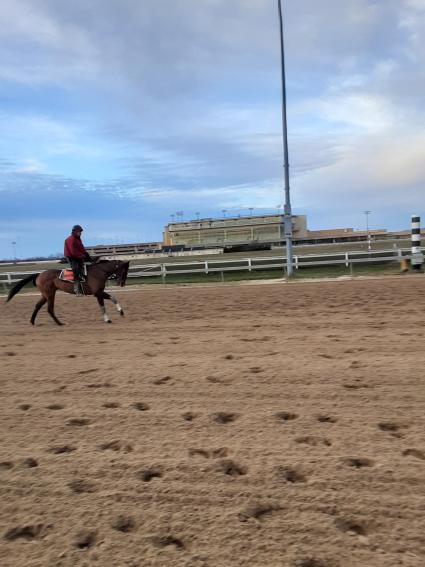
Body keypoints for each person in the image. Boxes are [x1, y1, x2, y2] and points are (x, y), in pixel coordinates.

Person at [64, 225, 94, 296]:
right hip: (71, 257)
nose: (80, 233)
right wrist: (83, 256)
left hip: (77, 256)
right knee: (76, 271)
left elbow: (82, 248)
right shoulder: (70, 239)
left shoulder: (78, 239)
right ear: (74, 231)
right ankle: (77, 290)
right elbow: (73, 252)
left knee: (85, 268)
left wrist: (87, 256)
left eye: (80, 232)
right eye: (79, 232)